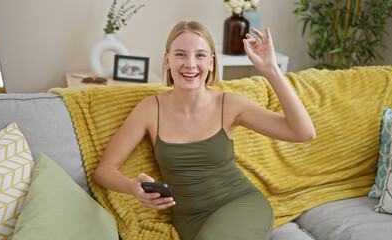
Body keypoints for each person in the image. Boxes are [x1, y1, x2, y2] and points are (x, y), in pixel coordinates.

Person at [94, 21, 315, 240]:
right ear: (167, 60)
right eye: (180, 54)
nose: (190, 64)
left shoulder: (230, 105)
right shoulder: (149, 109)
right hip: (189, 221)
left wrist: (271, 69)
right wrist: (132, 187)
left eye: (200, 55)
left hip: (240, 205)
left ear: (211, 63)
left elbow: (303, 133)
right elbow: (104, 170)